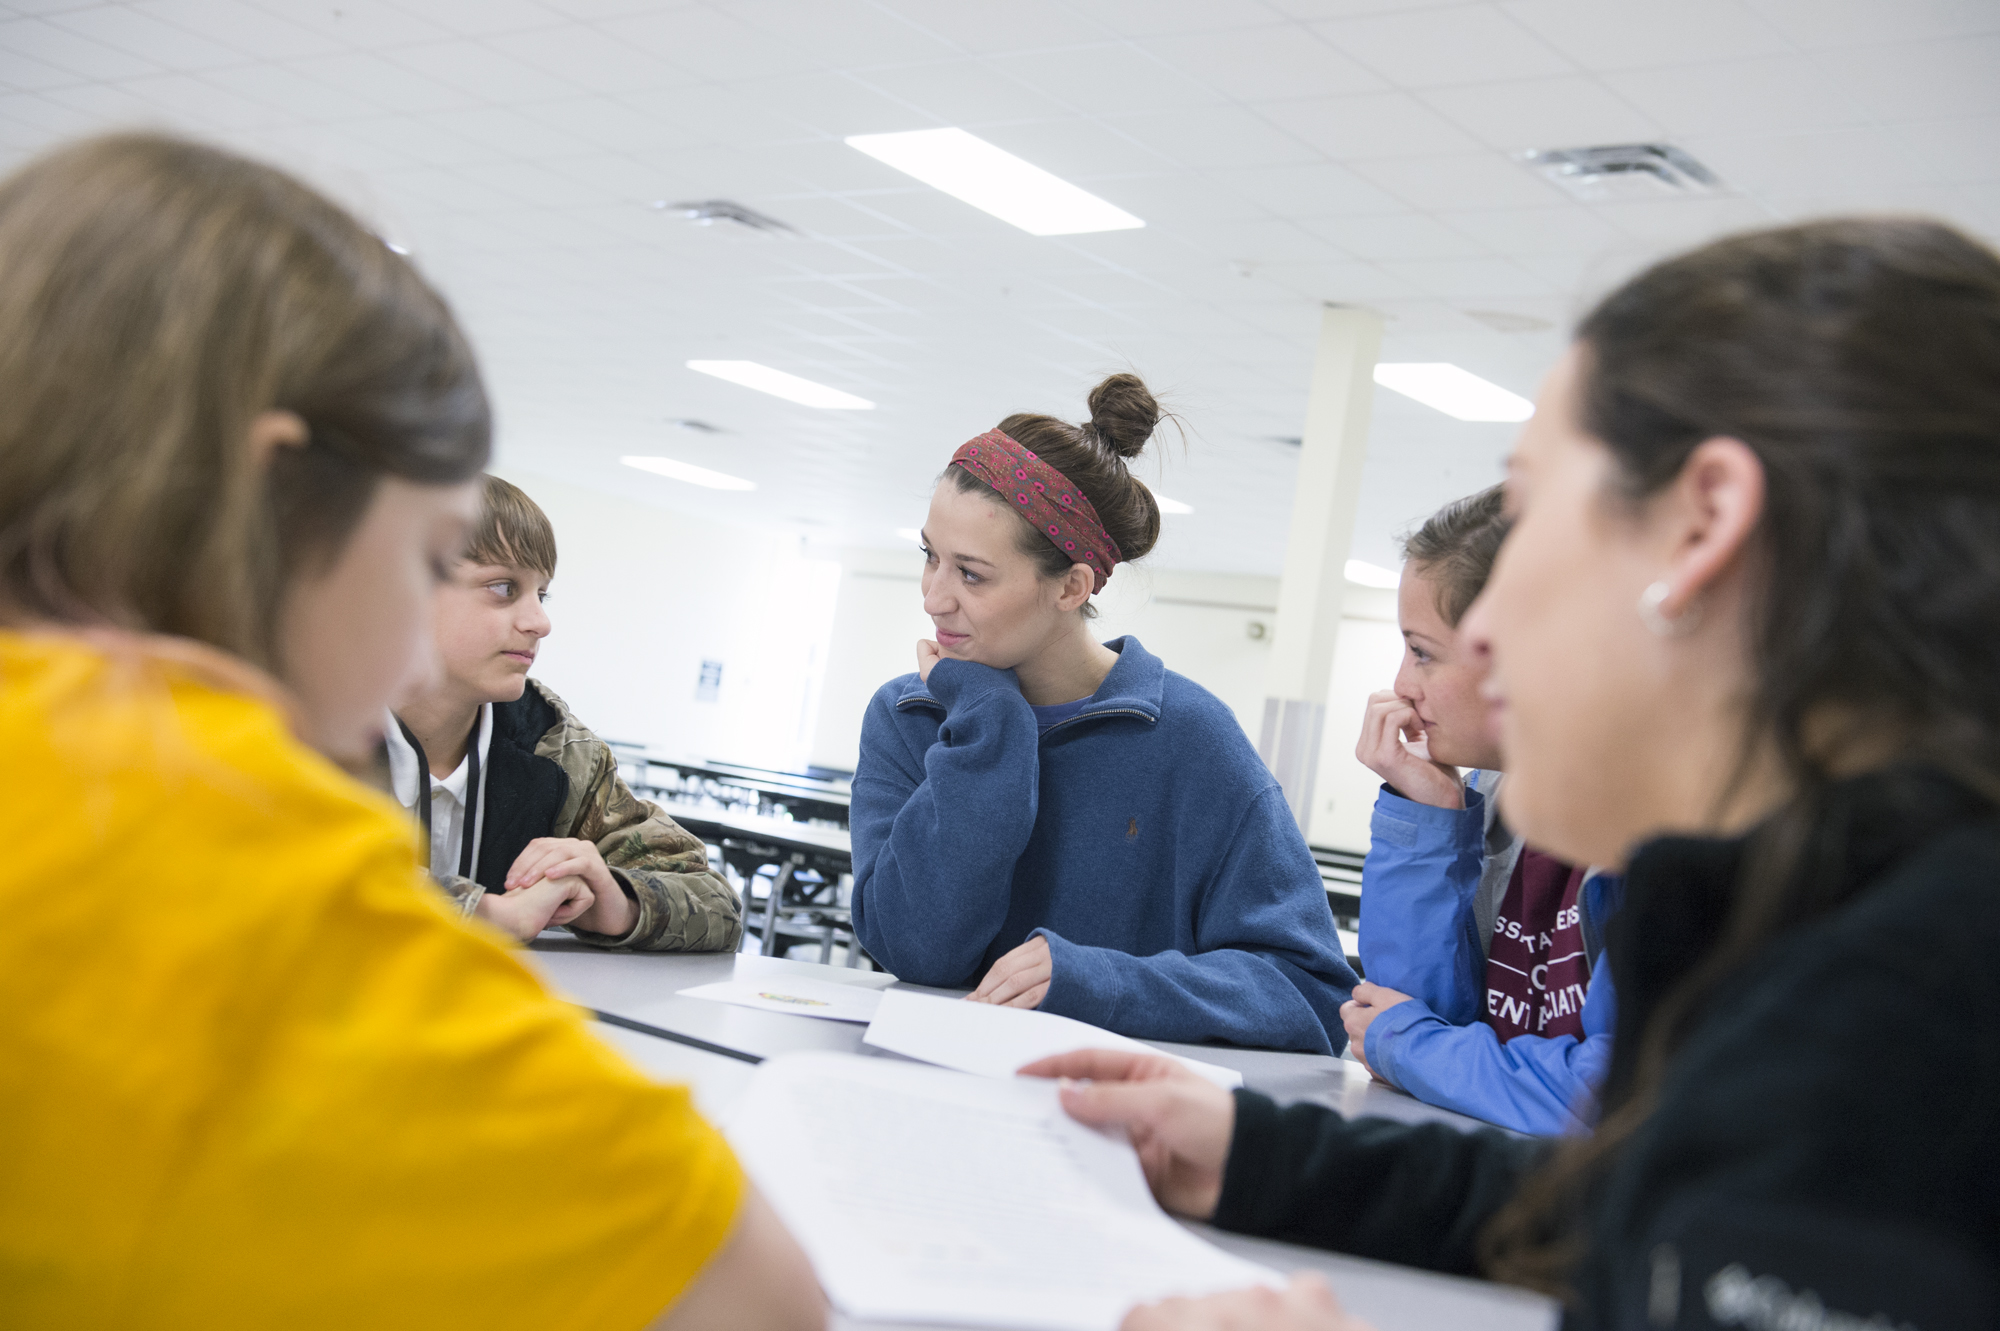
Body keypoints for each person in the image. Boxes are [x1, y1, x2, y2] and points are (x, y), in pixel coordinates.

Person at [1029, 217, 2000, 1331]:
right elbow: (1642, 1213)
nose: (1478, 632)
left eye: (1532, 518)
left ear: (1702, 530)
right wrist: (1264, 1155)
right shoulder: (1790, 906)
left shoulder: (1929, 1012)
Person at [0, 133, 821, 1329]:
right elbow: (755, 1300)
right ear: (269, 503)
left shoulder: (542, 745)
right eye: (428, 557)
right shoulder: (211, 833)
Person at [849, 374, 1357, 1053]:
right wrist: (987, 724)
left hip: (1114, 1131)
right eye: (930, 557)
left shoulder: (1192, 738)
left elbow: (1310, 993)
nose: (933, 597)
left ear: (1072, 586)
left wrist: (1104, 982)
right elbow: (918, 949)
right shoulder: (907, 716)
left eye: (971, 573)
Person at [1346, 485, 1620, 1135]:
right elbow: (1411, 1018)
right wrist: (1430, 815)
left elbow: (1612, 1097)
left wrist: (1412, 1046)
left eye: (1422, 651)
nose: (1402, 686)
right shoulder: (1495, 796)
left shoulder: (1660, 831)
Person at [387, 475, 743, 949]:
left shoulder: (555, 748)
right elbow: (276, 867)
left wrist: (615, 902)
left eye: (542, 593)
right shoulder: (295, 726)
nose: (539, 622)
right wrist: (490, 913)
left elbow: (719, 904)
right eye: (502, 587)